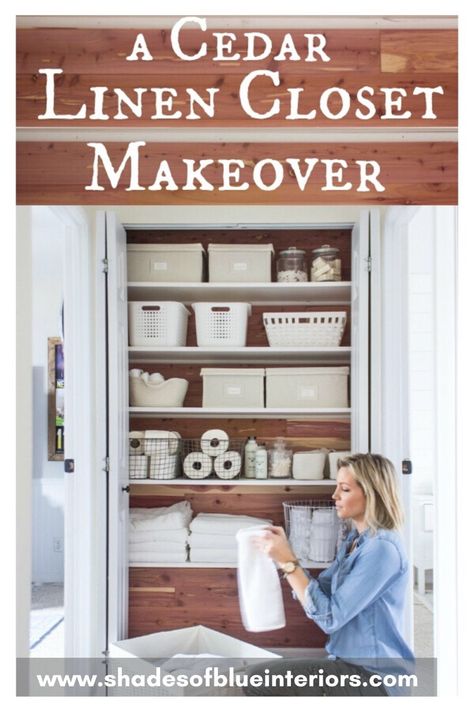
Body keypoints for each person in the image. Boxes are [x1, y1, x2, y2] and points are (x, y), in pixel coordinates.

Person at [245, 453, 415, 697]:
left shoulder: (382, 549)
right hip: (346, 664)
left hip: (373, 678)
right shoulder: (355, 542)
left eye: (344, 489)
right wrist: (284, 556)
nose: (334, 496)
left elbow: (330, 618)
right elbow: (320, 590)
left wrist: (288, 561)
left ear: (372, 493)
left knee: (259, 680)